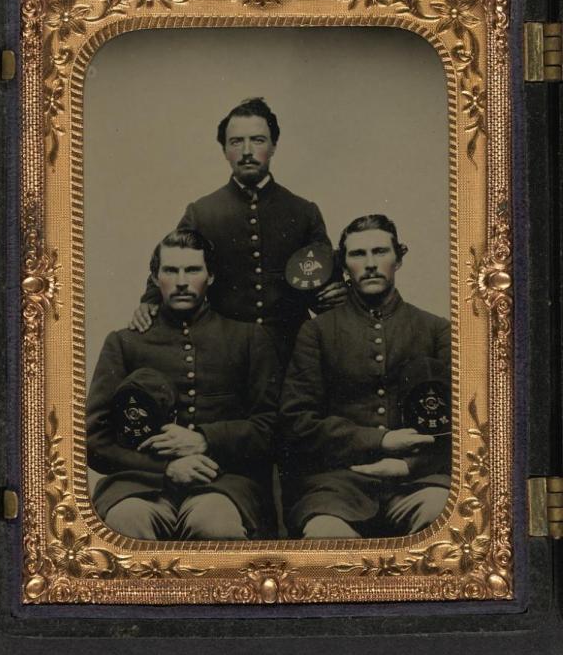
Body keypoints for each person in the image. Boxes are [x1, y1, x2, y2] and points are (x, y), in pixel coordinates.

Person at [87, 229, 280, 540]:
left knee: (215, 525)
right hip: (140, 484)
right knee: (126, 523)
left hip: (223, 483)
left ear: (211, 276)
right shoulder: (124, 343)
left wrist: (205, 439)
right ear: (154, 277)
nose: (181, 281)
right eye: (170, 270)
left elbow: (271, 428)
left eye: (192, 270)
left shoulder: (247, 339)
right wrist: (164, 468)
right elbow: (94, 441)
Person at [130, 98, 346, 364]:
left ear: (273, 146)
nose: (247, 151)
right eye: (236, 142)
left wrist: (336, 291)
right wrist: (150, 301)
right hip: (222, 355)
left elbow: (327, 277)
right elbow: (173, 260)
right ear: (224, 150)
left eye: (257, 140)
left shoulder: (303, 212)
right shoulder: (201, 212)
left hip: (292, 353)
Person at [279, 215, 451, 539]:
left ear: (399, 258)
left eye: (380, 252)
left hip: (417, 481)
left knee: (440, 516)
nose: (370, 263)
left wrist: (409, 466)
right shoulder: (317, 332)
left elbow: (462, 423)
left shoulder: (436, 330)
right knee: (324, 534)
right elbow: (296, 421)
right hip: (338, 486)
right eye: (358, 254)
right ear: (343, 265)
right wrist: (380, 440)